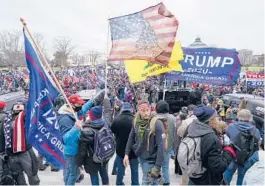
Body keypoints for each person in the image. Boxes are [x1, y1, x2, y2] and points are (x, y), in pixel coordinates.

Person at [179, 105, 236, 185]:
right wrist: (229, 151)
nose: (218, 120)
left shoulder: (191, 128)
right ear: (210, 121)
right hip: (207, 180)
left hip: (193, 177)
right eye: (216, 117)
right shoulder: (211, 138)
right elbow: (218, 167)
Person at [124, 100, 165, 185]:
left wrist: (157, 166)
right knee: (152, 182)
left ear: (150, 109)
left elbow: (161, 146)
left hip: (151, 159)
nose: (146, 113)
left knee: (146, 182)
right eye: (143, 111)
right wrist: (126, 154)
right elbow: (131, 137)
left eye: (147, 110)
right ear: (138, 111)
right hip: (141, 156)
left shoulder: (157, 123)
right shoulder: (136, 121)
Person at [58, 94, 94, 185]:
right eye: (79, 104)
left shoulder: (72, 111)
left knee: (69, 171)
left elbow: (83, 110)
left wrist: (91, 101)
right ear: (72, 104)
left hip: (73, 148)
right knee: (73, 174)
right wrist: (75, 129)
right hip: (71, 151)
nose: (81, 106)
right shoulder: (65, 119)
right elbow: (65, 139)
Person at [76, 95, 113, 186]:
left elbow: (82, 150)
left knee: (94, 176)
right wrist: (106, 100)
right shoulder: (106, 123)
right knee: (103, 171)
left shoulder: (86, 131)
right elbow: (108, 112)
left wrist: (79, 163)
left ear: (91, 116)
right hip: (104, 154)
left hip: (92, 159)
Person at [3, 100, 40, 185]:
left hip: (23, 151)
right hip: (13, 153)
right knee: (19, 177)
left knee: (30, 174)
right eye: (17, 105)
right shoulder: (6, 119)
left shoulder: (27, 119)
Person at [224, 109, 261, 185]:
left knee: (228, 173)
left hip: (232, 155)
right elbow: (258, 142)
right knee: (242, 176)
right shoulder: (255, 130)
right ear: (250, 118)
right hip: (246, 157)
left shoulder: (231, 127)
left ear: (238, 116)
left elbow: (227, 137)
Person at [111, 102, 139, 185]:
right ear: (131, 110)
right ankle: (135, 183)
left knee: (120, 169)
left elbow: (112, 131)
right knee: (134, 169)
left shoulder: (117, 119)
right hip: (133, 149)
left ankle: (119, 183)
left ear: (122, 109)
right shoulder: (135, 120)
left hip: (120, 149)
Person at [155, 100, 175, 185]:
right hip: (168, 145)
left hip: (156, 146)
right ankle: (166, 182)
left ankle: (156, 182)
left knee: (155, 165)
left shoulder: (154, 117)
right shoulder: (173, 118)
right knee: (165, 166)